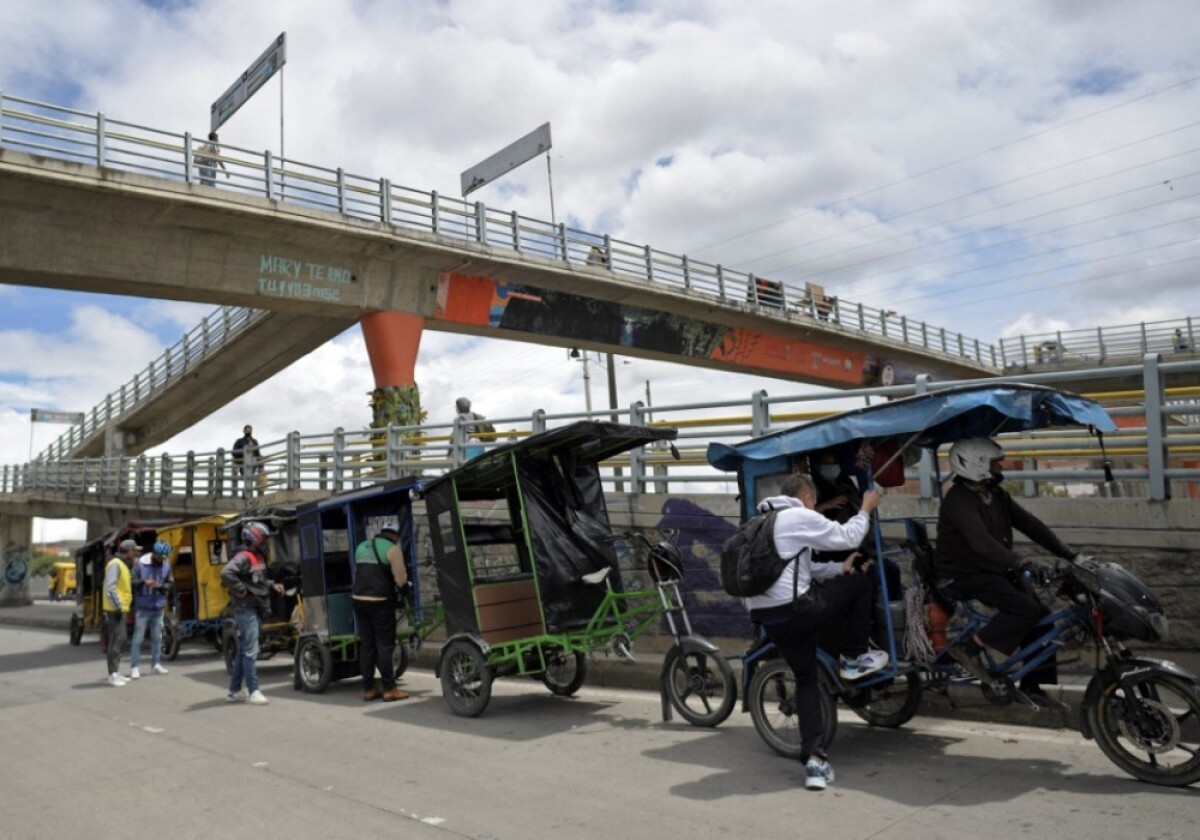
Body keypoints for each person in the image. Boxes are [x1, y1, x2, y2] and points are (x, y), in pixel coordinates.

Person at [744, 474, 886, 791]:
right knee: (860, 584)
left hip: (767, 615)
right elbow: (848, 536)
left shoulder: (759, 523)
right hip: (796, 608)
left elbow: (800, 571)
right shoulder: (798, 516)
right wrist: (865, 508)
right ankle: (852, 657)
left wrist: (839, 568)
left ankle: (815, 763)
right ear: (808, 499)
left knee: (806, 678)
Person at [933, 438, 1078, 712]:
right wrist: (1020, 561)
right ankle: (969, 648)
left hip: (991, 569)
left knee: (1043, 618)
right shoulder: (958, 500)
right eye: (994, 462)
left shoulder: (996, 495)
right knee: (1024, 609)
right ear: (977, 465)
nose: (1001, 466)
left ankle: (1033, 688)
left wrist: (1067, 553)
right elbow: (981, 542)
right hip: (962, 574)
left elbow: (1030, 525)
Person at [220, 521, 283, 705]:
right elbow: (226, 573)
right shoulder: (244, 556)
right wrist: (240, 590)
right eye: (263, 538)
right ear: (253, 538)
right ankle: (254, 691)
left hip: (254, 606)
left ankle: (234, 691)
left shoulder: (258, 556)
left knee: (244, 650)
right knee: (250, 651)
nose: (265, 542)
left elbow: (258, 578)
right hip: (245, 608)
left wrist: (272, 584)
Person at [352, 526, 410, 702]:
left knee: (367, 645)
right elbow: (400, 579)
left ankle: (369, 688)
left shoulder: (362, 547)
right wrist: (406, 591)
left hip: (358, 600)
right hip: (380, 601)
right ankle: (389, 688)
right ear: (394, 535)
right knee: (385, 645)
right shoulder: (392, 550)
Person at [129, 540, 174, 679]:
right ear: (154, 554)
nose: (162, 560)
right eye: (160, 557)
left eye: (164, 558)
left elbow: (170, 583)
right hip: (143, 607)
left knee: (157, 637)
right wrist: (144, 582)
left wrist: (161, 586)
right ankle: (135, 667)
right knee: (138, 638)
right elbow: (131, 582)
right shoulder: (140, 564)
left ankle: (156, 664)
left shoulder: (166, 565)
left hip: (158, 607)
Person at [102, 539, 139, 686]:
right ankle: (112, 674)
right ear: (128, 551)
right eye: (134, 550)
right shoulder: (116, 564)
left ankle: (116, 672)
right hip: (115, 609)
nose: (135, 553)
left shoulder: (122, 564)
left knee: (120, 639)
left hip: (120, 608)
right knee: (116, 641)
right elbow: (110, 587)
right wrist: (117, 606)